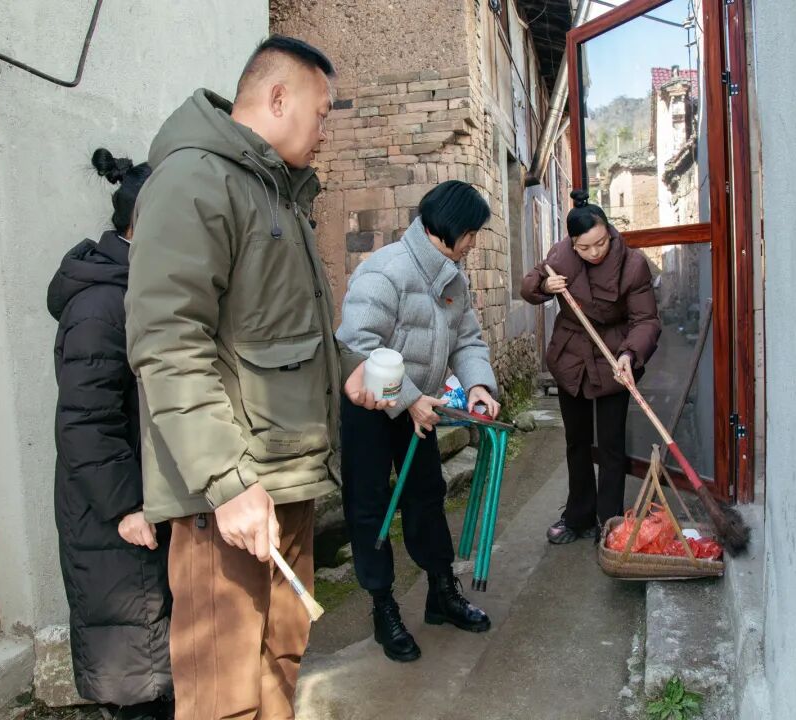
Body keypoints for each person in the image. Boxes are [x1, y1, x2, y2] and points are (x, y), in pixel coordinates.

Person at [125, 36, 382, 720]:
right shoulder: (193, 182)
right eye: (322, 113)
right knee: (224, 693)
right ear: (277, 97)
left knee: (279, 662)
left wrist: (349, 370)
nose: (325, 131)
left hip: (285, 480)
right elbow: (168, 342)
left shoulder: (280, 194)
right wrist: (226, 481)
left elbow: (276, 328)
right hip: (227, 499)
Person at [336, 180, 501, 663]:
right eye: (470, 233)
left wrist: (477, 385)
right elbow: (357, 346)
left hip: (419, 408)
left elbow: (467, 340)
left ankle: (441, 592)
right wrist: (408, 399)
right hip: (371, 408)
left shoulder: (452, 278)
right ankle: (382, 606)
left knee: (427, 496)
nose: (473, 243)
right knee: (370, 507)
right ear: (448, 227)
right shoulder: (384, 272)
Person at [47, 148, 172, 720]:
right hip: (115, 512)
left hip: (138, 502)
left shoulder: (136, 288)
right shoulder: (101, 304)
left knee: (153, 661)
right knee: (136, 674)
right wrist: (126, 507)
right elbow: (85, 420)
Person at [521, 189, 661, 544]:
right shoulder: (560, 256)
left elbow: (646, 320)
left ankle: (608, 521)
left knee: (611, 444)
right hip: (571, 357)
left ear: (609, 232)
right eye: (585, 247)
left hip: (614, 356)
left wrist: (629, 355)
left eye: (601, 243)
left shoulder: (633, 264)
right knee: (576, 442)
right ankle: (578, 516)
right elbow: (528, 285)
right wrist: (544, 285)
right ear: (573, 244)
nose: (595, 252)